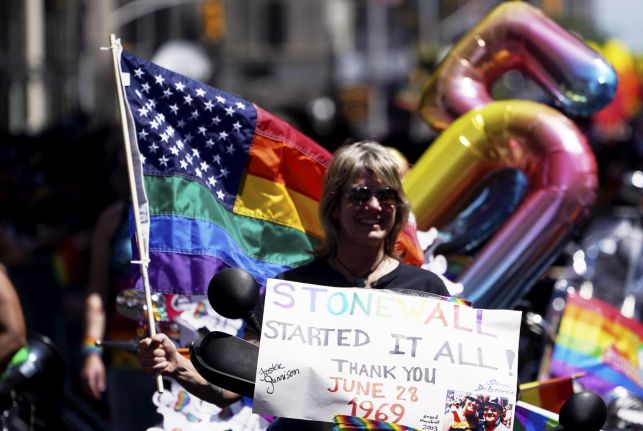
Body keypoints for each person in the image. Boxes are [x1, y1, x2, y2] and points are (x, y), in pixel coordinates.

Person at [138, 141, 451, 421]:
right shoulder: (294, 291)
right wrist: (175, 366)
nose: (374, 205)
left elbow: (452, 388)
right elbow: (231, 388)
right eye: (359, 194)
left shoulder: (427, 290)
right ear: (334, 205)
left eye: (386, 195)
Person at [80, 199, 162, 430]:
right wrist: (91, 351)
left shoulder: (186, 210)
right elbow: (98, 290)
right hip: (126, 357)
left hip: (177, 355)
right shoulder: (113, 219)